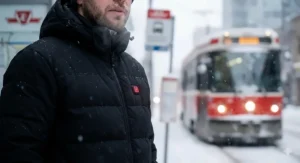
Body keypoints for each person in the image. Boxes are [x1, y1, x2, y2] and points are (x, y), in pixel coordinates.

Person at [0, 0, 157, 162]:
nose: (121, 1)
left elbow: (147, 150)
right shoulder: (38, 62)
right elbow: (17, 153)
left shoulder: (134, 71)